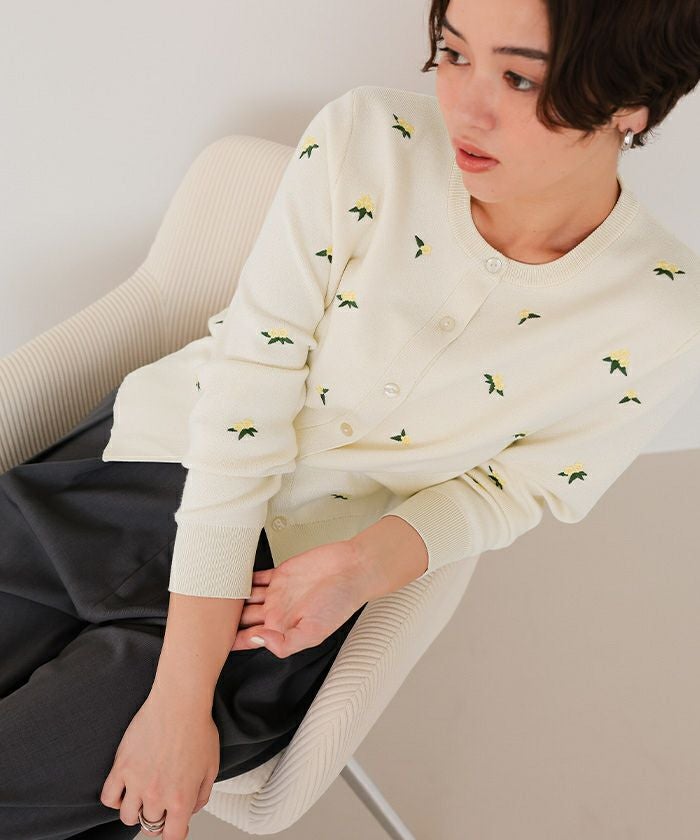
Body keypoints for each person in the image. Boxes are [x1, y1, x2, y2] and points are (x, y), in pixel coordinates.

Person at [1, 0, 699, 837]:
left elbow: (519, 487)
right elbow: (247, 393)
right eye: (452, 53)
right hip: (142, 469)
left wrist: (370, 564)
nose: (465, 107)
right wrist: (179, 700)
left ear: (632, 102)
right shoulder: (370, 141)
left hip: (286, 596)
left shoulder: (659, 317)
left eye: (520, 78)